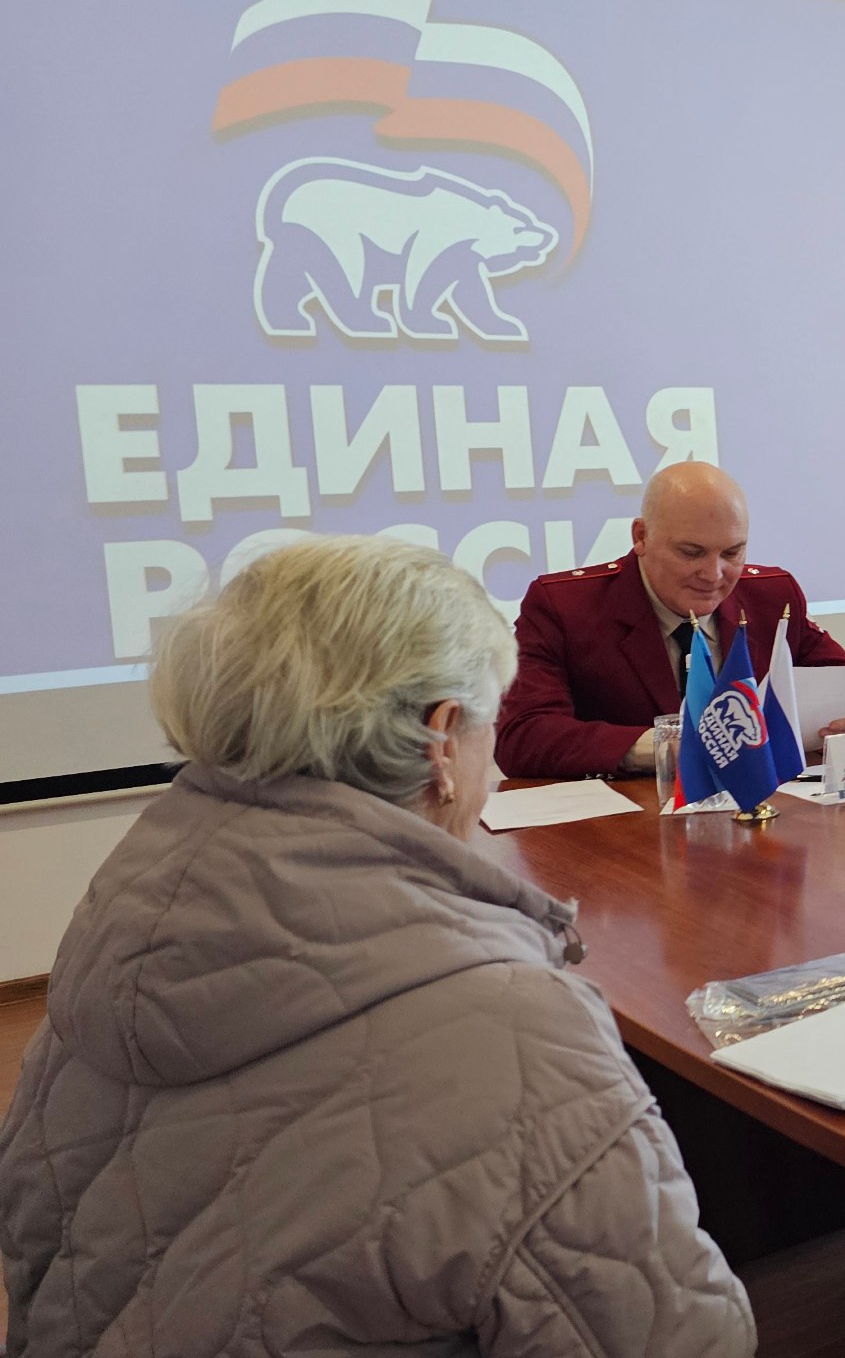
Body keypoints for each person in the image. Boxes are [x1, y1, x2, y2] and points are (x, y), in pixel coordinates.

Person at [0, 535, 753, 1353]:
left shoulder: (113, 932)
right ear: (441, 743)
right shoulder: (514, 1028)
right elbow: (682, 1339)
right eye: (490, 724)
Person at [496, 461, 845, 778]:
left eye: (732, 553)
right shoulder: (566, 606)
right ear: (640, 537)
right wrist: (667, 747)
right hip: (626, 833)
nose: (713, 574)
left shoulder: (771, 595)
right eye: (691, 553)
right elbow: (523, 736)